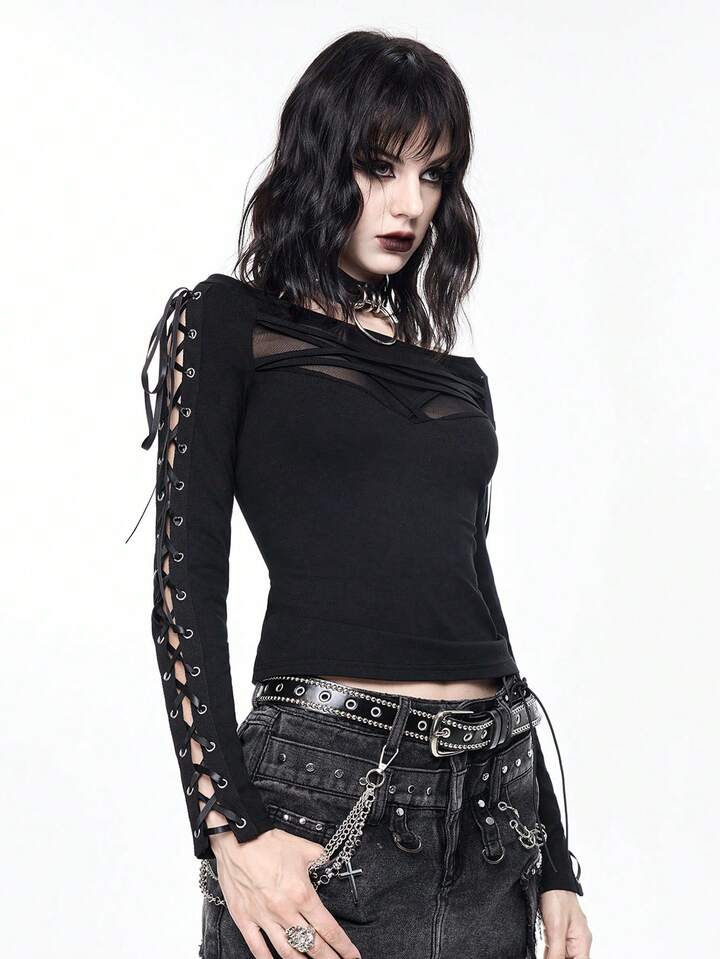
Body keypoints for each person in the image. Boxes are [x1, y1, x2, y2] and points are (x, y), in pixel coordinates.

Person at [131, 29, 592, 959]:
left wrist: (554, 860)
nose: (408, 203)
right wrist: (226, 827)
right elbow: (186, 588)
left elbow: (474, 595)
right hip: (326, 791)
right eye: (380, 167)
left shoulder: (457, 379)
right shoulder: (229, 323)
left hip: (493, 806)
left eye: (433, 175)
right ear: (319, 160)